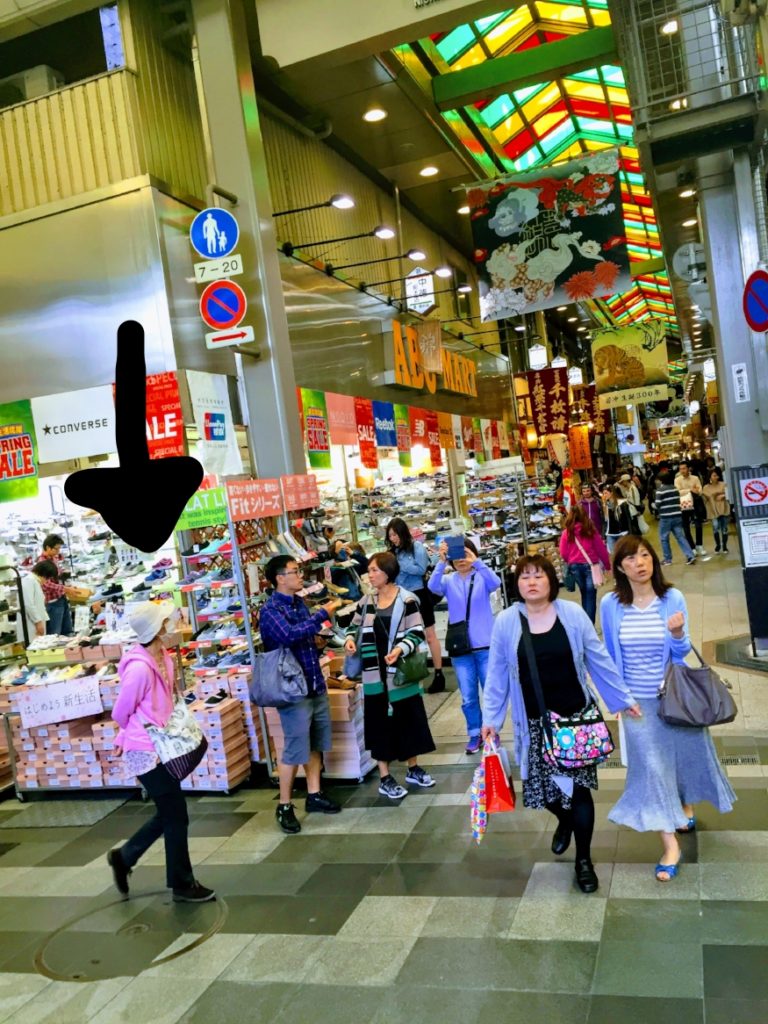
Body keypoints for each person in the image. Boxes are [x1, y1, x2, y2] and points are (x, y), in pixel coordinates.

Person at [481, 555, 641, 894]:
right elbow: (496, 675)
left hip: (575, 721)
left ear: (552, 580)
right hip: (535, 725)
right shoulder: (507, 622)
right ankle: (564, 819)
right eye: (524, 577)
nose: (531, 582)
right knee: (542, 793)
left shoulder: (572, 614)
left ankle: (584, 859)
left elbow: (597, 659)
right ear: (517, 585)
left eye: (538, 575)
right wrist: (491, 720)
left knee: (580, 792)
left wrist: (623, 699)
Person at [601, 536, 735, 881]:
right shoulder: (611, 604)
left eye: (645, 555)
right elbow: (609, 656)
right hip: (637, 705)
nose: (639, 563)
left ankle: (683, 806)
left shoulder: (671, 597)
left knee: (683, 759)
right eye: (630, 559)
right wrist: (618, 699)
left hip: (675, 697)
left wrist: (677, 635)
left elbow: (680, 657)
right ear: (620, 567)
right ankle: (670, 844)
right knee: (653, 770)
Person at [107, 601, 215, 903]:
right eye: (165, 620)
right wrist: (125, 736)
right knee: (176, 815)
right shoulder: (140, 669)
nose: (171, 622)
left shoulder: (163, 658)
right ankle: (182, 884)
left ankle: (125, 857)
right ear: (157, 629)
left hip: (163, 745)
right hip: (146, 751)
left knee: (168, 813)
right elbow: (120, 711)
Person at [259, 556, 343, 833]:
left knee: (316, 742)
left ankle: (314, 794)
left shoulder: (298, 603)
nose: (300, 575)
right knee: (294, 748)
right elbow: (288, 635)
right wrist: (322, 614)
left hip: (313, 681)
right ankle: (284, 804)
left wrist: (319, 637)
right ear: (280, 578)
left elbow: (304, 636)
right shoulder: (270, 611)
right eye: (295, 572)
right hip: (292, 690)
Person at [344, 551, 436, 799]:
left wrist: (398, 649)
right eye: (370, 570)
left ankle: (412, 767)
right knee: (378, 724)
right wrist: (350, 639)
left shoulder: (407, 600)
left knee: (410, 719)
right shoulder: (367, 601)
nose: (370, 575)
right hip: (374, 674)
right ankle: (385, 776)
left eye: (374, 570)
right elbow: (353, 625)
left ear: (388, 573)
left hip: (401, 672)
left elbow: (417, 632)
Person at [428, 539, 501, 754]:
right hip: (461, 648)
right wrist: (441, 562)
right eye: (457, 555)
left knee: (489, 692)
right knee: (468, 695)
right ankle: (474, 733)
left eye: (465, 554)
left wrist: (477, 562)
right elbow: (432, 587)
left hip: (485, 645)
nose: (461, 560)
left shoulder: (481, 576)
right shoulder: (449, 580)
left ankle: (492, 732)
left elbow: (496, 583)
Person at [385, 517, 445, 693]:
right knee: (410, 637)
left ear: (402, 532)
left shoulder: (416, 547)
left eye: (395, 534)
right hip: (401, 596)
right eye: (390, 535)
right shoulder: (393, 552)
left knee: (430, 635)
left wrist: (400, 563)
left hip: (419, 594)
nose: (393, 538)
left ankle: (439, 674)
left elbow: (420, 569)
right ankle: (414, 674)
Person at [559, 505, 611, 624]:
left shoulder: (566, 533)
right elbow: (600, 549)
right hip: (590, 566)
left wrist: (571, 561)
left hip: (575, 566)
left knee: (584, 593)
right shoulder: (589, 530)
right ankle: (589, 625)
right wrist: (607, 565)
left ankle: (585, 623)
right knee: (591, 596)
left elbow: (563, 553)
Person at [655, 470, 696, 566]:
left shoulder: (660, 491)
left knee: (664, 538)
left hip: (665, 518)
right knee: (680, 537)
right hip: (677, 516)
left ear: (661, 480)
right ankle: (690, 555)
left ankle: (667, 559)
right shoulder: (674, 489)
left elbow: (657, 504)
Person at [38, 534, 74, 635]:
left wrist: (64, 577)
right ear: (48, 547)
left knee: (67, 632)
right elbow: (45, 584)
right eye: (56, 549)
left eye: (59, 549)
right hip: (52, 602)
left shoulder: (53, 558)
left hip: (61, 598)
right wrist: (64, 588)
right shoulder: (42, 563)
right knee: (55, 634)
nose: (58, 552)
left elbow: (56, 576)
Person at [16, 561, 55, 644]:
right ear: (44, 574)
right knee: (33, 648)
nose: (47, 581)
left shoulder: (35, 581)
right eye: (48, 578)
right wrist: (38, 622)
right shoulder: (29, 581)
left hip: (37, 622)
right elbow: (28, 604)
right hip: (32, 624)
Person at [675, 461, 707, 556]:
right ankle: (692, 547)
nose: (682, 471)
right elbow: (677, 492)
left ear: (689, 469)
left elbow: (700, 491)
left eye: (684, 468)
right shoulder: (677, 480)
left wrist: (685, 491)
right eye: (680, 469)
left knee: (698, 525)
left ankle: (699, 545)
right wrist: (690, 490)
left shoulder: (695, 478)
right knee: (686, 527)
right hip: (683, 505)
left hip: (696, 504)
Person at [702, 468, 731, 554]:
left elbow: (728, 494)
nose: (716, 477)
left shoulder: (723, 484)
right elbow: (705, 498)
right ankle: (718, 545)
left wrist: (723, 495)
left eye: (717, 475)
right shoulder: (706, 487)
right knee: (715, 527)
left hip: (723, 508)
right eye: (714, 475)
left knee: (724, 528)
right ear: (710, 477)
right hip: (713, 510)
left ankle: (725, 546)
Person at [603, 483, 638, 555]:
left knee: (624, 553)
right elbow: (605, 521)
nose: (604, 495)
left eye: (606, 493)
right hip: (610, 534)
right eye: (603, 493)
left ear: (612, 493)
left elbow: (628, 519)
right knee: (613, 555)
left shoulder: (622, 504)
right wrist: (604, 535)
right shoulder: (605, 505)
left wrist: (630, 533)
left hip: (622, 533)